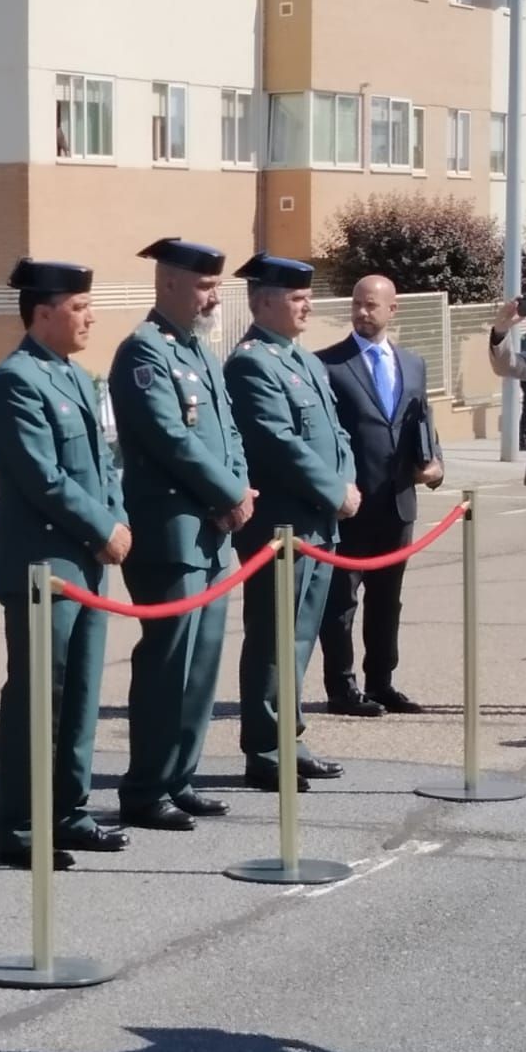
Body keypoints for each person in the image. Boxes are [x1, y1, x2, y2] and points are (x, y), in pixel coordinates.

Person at [0, 258, 130, 870]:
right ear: (43, 313)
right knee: (38, 700)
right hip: (45, 568)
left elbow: (102, 466)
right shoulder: (17, 380)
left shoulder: (73, 377)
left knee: (79, 698)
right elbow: (42, 477)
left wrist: (116, 520)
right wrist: (104, 528)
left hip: (86, 565)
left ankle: (68, 810)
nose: (90, 316)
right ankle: (20, 824)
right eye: (78, 307)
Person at [108, 239, 249, 831]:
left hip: (211, 536)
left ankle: (179, 776)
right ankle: (144, 788)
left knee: (200, 666)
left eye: (214, 286)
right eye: (203, 286)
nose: (213, 296)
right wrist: (227, 495)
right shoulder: (145, 352)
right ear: (167, 285)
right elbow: (171, 440)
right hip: (171, 536)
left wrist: (238, 488)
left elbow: (229, 434)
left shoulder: (199, 352)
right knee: (167, 666)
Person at [225, 254, 355, 792]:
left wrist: (346, 483)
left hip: (318, 525)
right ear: (263, 302)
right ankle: (265, 749)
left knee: (300, 639)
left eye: (307, 296)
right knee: (274, 639)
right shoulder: (251, 363)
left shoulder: (303, 361)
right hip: (281, 527)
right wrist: (334, 491)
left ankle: (289, 737)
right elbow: (279, 445)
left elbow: (336, 433)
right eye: (296, 297)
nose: (306, 306)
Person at [316, 275, 443, 718]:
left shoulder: (413, 364)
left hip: (397, 501)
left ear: (393, 310)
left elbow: (420, 422)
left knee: (388, 598)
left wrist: (434, 464)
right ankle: (342, 687)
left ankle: (382, 681)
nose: (362, 312)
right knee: (341, 601)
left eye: (371, 305)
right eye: (357, 304)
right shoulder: (328, 365)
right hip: (350, 505)